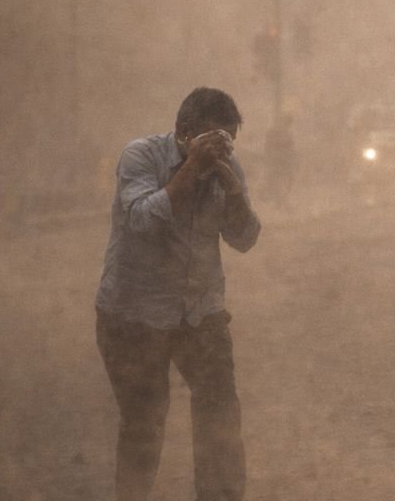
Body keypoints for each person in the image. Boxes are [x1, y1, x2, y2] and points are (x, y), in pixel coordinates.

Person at [94, 87, 261, 501]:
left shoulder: (226, 166)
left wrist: (232, 186)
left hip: (199, 313)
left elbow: (244, 238)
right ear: (184, 131)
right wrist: (192, 169)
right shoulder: (141, 157)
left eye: (228, 141)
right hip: (134, 315)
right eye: (212, 139)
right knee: (144, 423)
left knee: (220, 415)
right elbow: (140, 219)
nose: (221, 149)